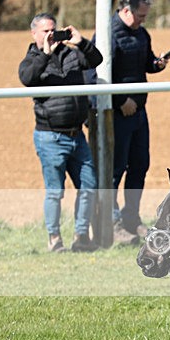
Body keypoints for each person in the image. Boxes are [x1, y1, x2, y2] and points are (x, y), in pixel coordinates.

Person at [94, 0, 170, 244]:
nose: (142, 21)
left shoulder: (142, 34)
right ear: (125, 10)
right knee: (115, 169)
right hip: (118, 113)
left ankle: (132, 218)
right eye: (140, 16)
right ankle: (113, 223)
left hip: (139, 111)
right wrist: (119, 101)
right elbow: (99, 74)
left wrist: (156, 64)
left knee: (140, 165)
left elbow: (145, 64)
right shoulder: (106, 35)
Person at [19, 13, 102, 253]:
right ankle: (54, 239)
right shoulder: (32, 59)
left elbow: (97, 59)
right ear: (34, 34)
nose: (51, 35)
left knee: (89, 186)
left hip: (78, 135)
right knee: (55, 192)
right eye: (45, 31)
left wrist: (81, 42)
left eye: (53, 30)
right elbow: (27, 78)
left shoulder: (71, 54)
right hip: (50, 137)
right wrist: (45, 53)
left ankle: (81, 236)